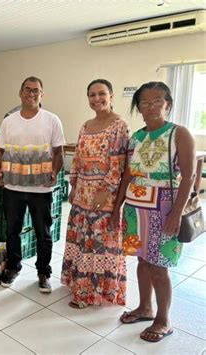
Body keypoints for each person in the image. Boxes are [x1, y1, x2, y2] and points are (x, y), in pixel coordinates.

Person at [112, 82, 196, 342]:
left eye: (157, 101)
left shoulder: (179, 134)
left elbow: (189, 177)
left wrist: (175, 214)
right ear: (138, 107)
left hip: (164, 210)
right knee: (142, 260)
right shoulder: (136, 137)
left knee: (159, 266)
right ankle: (145, 307)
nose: (151, 107)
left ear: (168, 104)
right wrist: (118, 208)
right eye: (145, 102)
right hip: (136, 211)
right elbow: (128, 175)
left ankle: (163, 319)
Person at [60, 79, 129, 309]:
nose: (96, 99)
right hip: (81, 194)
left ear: (111, 96)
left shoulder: (119, 125)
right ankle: (78, 283)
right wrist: (73, 185)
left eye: (101, 94)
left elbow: (118, 164)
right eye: (92, 95)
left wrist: (104, 192)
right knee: (82, 240)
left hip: (104, 197)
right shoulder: (85, 125)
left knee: (98, 243)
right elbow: (77, 159)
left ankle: (92, 293)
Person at [0, 76, 65, 293]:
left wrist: (54, 171)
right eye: (27, 89)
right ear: (20, 92)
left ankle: (43, 272)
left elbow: (59, 152)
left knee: (42, 232)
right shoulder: (9, 121)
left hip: (40, 188)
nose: (31, 94)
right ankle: (13, 267)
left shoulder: (52, 120)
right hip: (13, 186)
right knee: (12, 230)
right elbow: (0, 150)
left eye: (36, 90)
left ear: (42, 94)